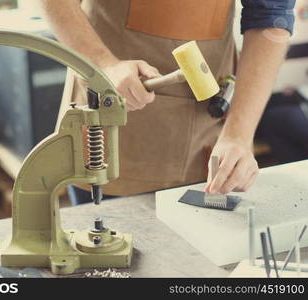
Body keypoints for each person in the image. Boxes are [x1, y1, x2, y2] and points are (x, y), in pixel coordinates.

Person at [40, 0, 295, 204]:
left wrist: (239, 134)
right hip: (113, 111)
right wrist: (104, 64)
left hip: (208, 125)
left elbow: (271, 18)